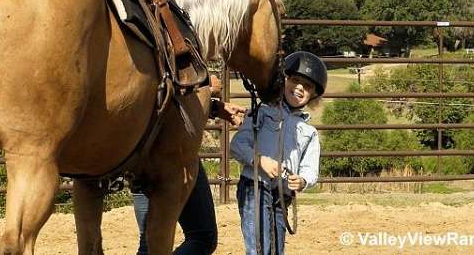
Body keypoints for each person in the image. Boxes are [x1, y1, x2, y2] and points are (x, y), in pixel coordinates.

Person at [230, 51, 327, 255]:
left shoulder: (309, 132)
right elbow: (238, 145)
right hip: (255, 186)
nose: (299, 87)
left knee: (276, 251)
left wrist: (302, 181)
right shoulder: (263, 112)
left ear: (314, 95)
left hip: (282, 194)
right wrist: (259, 160)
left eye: (307, 86)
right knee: (259, 249)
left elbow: (310, 169)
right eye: (295, 80)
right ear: (284, 80)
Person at [131, 93, 246, 255]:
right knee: (202, 237)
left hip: (137, 157)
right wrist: (212, 105)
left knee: (148, 245)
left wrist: (213, 107)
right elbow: (177, 90)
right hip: (175, 152)